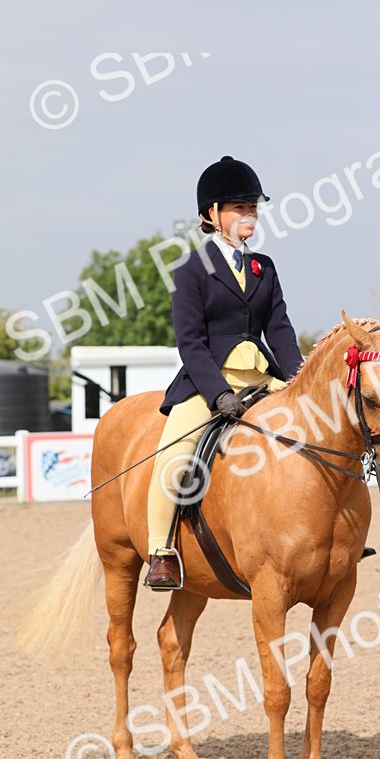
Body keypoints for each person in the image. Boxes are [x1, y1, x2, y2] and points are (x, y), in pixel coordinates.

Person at [144, 155, 304, 589]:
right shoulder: (191, 269)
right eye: (239, 207)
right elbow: (190, 343)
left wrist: (300, 383)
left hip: (261, 378)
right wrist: (217, 395)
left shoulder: (264, 267)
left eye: (252, 206)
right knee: (173, 457)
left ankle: (321, 540)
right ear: (211, 215)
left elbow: (281, 330)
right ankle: (161, 552)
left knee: (317, 432)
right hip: (209, 381)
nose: (249, 213)